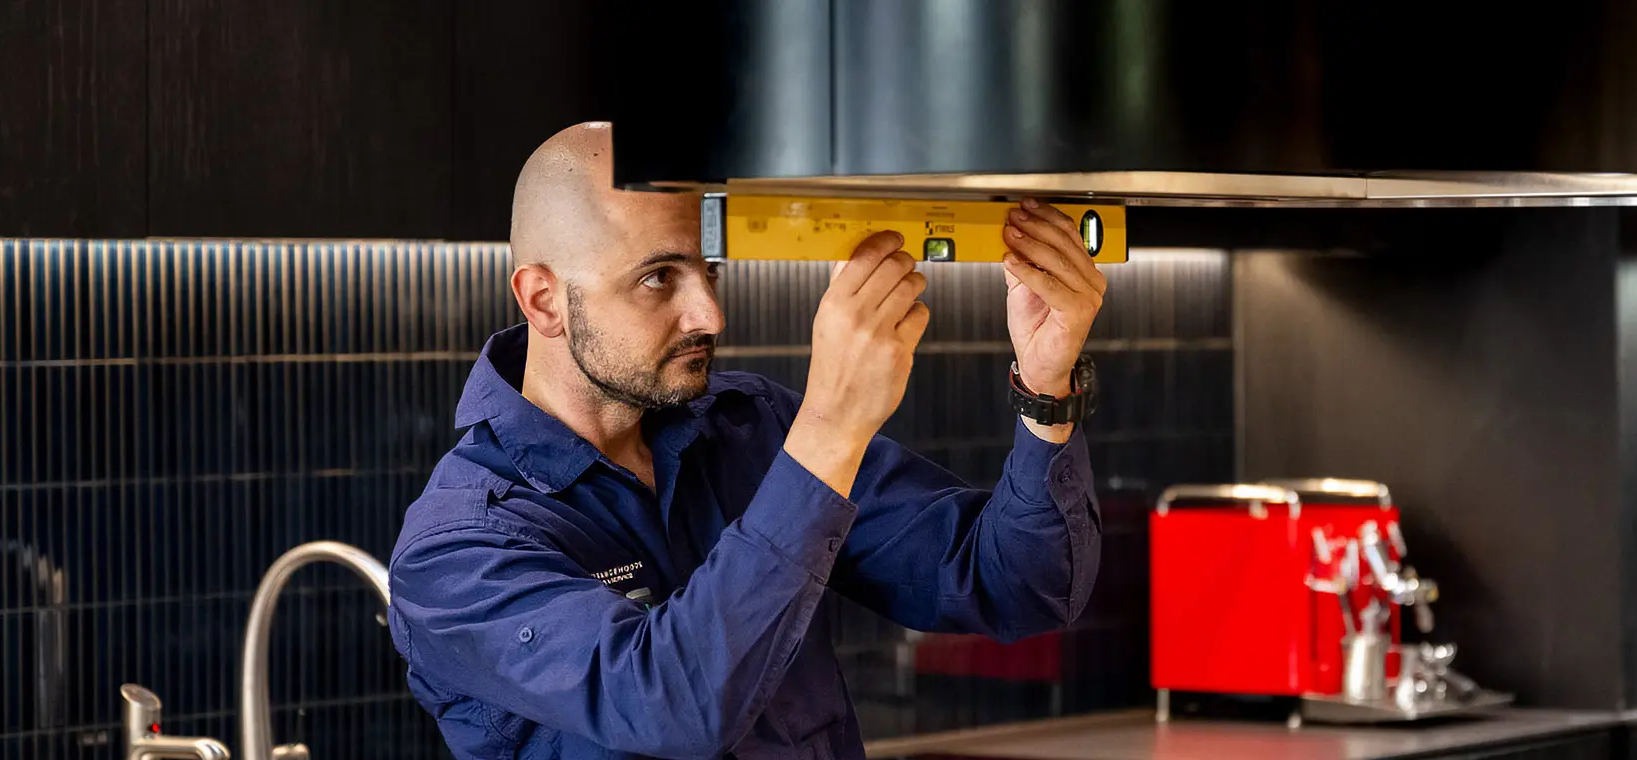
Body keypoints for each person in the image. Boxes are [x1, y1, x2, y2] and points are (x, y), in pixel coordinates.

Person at [387, 122, 1106, 760]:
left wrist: (1047, 394)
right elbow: (671, 705)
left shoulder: (750, 429)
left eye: (709, 270)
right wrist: (829, 429)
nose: (709, 312)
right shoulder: (458, 552)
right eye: (658, 278)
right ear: (544, 299)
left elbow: (1019, 587)